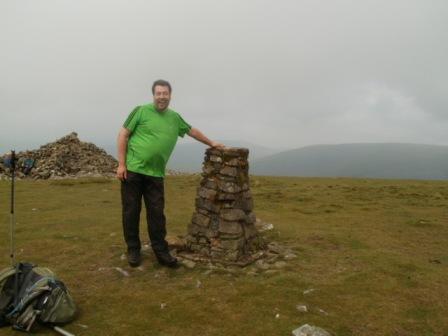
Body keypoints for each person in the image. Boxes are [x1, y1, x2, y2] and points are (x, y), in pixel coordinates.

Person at [117, 79, 224, 268]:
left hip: (156, 174)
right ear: (153, 95)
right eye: (158, 93)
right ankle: (133, 249)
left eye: (165, 93)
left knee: (157, 214)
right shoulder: (140, 111)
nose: (161, 97)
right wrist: (121, 164)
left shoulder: (174, 118)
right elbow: (123, 134)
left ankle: (161, 251)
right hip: (133, 171)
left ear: (170, 95)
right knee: (131, 212)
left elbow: (192, 131)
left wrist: (211, 143)